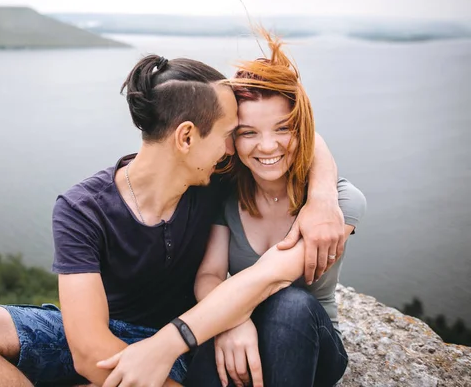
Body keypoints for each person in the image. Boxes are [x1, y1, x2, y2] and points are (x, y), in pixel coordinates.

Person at [0, 53, 345, 387]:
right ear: (186, 138)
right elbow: (92, 353)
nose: (234, 148)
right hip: (113, 337)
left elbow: (296, 138)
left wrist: (324, 196)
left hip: (191, 341)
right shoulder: (82, 208)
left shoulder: (216, 177)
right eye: (229, 134)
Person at [95, 31, 365, 387]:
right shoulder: (226, 188)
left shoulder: (339, 203)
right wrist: (232, 321)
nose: (267, 146)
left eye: (283, 128)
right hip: (243, 330)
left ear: (301, 128)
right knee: (215, 329)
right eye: (248, 132)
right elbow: (209, 276)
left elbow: (272, 276)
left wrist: (166, 345)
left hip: (310, 341)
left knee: (290, 302)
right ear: (231, 137)